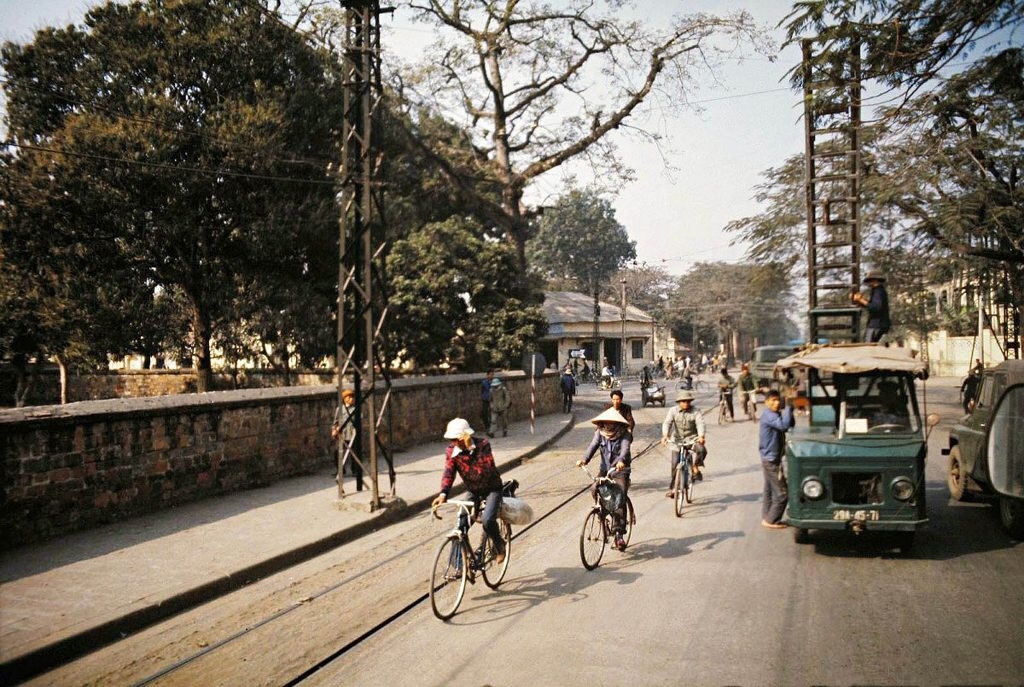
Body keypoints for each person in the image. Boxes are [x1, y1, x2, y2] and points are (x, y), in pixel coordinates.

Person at [431, 418, 506, 564]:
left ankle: (499, 546)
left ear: (466, 436)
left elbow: (487, 470)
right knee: (461, 525)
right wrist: (443, 493)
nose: (454, 443)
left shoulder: (483, 445)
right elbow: (449, 473)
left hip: (492, 488)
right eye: (452, 440)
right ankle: (459, 566)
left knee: (487, 520)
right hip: (473, 491)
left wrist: (471, 449)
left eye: (457, 439)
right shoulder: (451, 451)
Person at [575, 408, 632, 550]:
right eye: (606, 422)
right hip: (605, 469)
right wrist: (584, 460)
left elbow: (625, 450)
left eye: (611, 422)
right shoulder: (599, 434)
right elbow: (592, 446)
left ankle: (619, 533)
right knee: (595, 488)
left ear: (617, 423)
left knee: (619, 497)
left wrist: (621, 461)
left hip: (620, 470)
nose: (609, 424)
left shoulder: (625, 434)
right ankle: (602, 517)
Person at [661, 389, 708, 496]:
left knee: (702, 450)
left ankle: (695, 466)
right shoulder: (673, 411)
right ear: (678, 402)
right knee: (674, 464)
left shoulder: (696, 411)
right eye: (683, 401)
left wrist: (701, 436)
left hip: (693, 439)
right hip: (677, 441)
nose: (686, 403)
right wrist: (665, 435)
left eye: (688, 401)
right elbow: (667, 423)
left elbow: (700, 424)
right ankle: (674, 488)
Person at [759, 389, 794, 529]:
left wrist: (789, 410)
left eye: (778, 400)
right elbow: (784, 426)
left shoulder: (774, 414)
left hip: (769, 458)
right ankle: (771, 519)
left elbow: (790, 424)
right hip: (771, 459)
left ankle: (767, 517)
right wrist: (789, 406)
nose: (777, 403)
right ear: (766, 402)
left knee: (769, 489)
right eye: (773, 400)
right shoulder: (769, 415)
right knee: (782, 494)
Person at [331, 388, 364, 492]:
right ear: (345, 399)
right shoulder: (339, 409)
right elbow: (335, 421)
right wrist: (334, 430)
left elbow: (360, 420)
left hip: (352, 433)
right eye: (349, 397)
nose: (351, 399)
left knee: (354, 453)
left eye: (352, 397)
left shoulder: (356, 409)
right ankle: (340, 470)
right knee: (337, 452)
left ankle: (354, 470)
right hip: (342, 434)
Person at [851, 270, 890, 343]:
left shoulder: (878, 291)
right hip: (878, 324)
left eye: (870, 280)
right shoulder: (877, 291)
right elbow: (871, 305)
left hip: (876, 325)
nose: (869, 283)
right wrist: (860, 301)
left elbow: (876, 307)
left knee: (869, 345)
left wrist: (861, 300)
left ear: (875, 280)